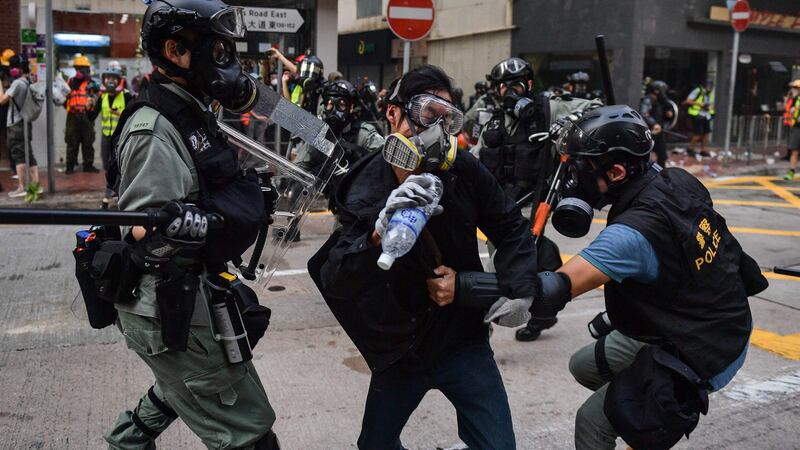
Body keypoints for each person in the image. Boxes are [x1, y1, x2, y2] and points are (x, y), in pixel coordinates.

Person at [310, 65, 540, 449]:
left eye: (447, 118)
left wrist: (517, 288)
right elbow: (336, 273)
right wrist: (378, 236)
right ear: (393, 113)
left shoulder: (463, 170)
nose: (436, 129)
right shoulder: (364, 184)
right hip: (402, 348)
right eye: (427, 113)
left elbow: (511, 226)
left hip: (462, 340)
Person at [520, 105, 763, 450]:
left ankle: (656, 414)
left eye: (582, 167)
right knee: (584, 366)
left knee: (591, 422)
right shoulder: (675, 179)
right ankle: (643, 411)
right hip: (711, 318)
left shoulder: (632, 235)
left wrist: (469, 285)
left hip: (705, 349)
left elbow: (552, 290)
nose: (575, 177)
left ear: (617, 171)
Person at [104, 0, 279, 447]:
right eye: (217, 51)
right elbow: (143, 234)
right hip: (166, 305)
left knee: (185, 387)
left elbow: (204, 184)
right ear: (175, 51)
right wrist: (183, 228)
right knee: (250, 432)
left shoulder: (193, 110)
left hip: (193, 290)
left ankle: (126, 441)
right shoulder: (153, 130)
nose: (228, 64)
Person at [89, 61, 133, 208]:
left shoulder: (127, 97)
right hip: (106, 138)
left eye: (113, 78)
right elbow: (91, 117)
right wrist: (89, 106)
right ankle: (113, 191)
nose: (110, 81)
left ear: (119, 80)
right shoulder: (102, 97)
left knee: (121, 165)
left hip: (122, 138)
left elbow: (135, 114)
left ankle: (111, 196)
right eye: (107, 78)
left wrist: (120, 114)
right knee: (108, 167)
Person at [0, 54, 41, 198]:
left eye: (12, 67)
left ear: (16, 68)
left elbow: (2, 100)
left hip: (16, 124)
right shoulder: (28, 81)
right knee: (28, 154)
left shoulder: (17, 83)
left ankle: (22, 187)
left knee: (19, 156)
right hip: (25, 123)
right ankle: (35, 185)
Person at [65, 54, 100, 174]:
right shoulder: (69, 82)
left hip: (86, 115)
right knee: (71, 141)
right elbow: (63, 98)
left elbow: (98, 97)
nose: (79, 71)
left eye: (82, 69)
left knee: (88, 141)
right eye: (78, 68)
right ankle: (70, 165)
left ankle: (88, 165)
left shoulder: (92, 84)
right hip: (72, 116)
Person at [639, 80, 673, 167]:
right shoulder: (648, 99)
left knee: (662, 154)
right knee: (644, 154)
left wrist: (668, 112)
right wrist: (654, 124)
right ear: (656, 90)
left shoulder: (660, 100)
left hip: (658, 132)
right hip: (650, 132)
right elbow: (644, 113)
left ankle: (662, 174)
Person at [684, 78, 715, 158]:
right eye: (708, 85)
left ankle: (703, 150)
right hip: (697, 114)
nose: (709, 87)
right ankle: (690, 148)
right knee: (698, 134)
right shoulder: (698, 91)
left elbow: (711, 104)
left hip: (706, 115)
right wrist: (698, 103)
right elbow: (688, 100)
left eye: (711, 86)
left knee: (706, 133)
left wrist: (710, 109)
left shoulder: (710, 93)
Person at [782, 79, 800, 180]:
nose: (793, 89)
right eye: (793, 87)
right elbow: (789, 110)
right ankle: (791, 171)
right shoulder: (794, 99)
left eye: (796, 88)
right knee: (794, 150)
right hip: (797, 127)